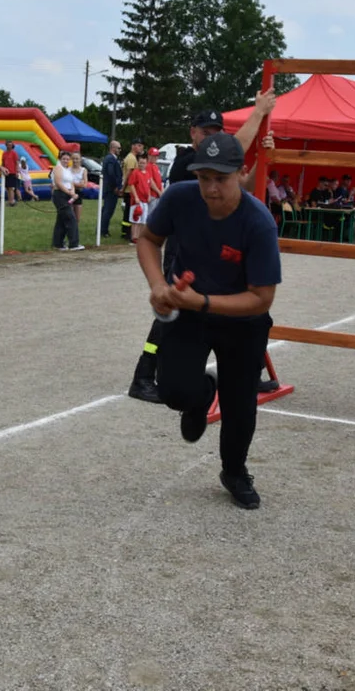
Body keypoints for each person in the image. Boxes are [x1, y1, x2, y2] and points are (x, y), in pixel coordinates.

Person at [137, 133, 281, 509]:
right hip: (189, 311)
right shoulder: (180, 198)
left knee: (239, 404)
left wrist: (202, 301)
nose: (211, 188)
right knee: (171, 391)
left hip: (242, 319)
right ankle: (201, 394)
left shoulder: (258, 223)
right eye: (204, 178)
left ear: (242, 174)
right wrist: (157, 284)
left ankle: (234, 471)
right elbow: (148, 239)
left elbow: (262, 298)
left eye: (222, 178)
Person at [127, 94, 276, 404]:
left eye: (216, 132)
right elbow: (238, 146)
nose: (212, 137)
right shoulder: (185, 163)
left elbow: (239, 186)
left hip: (209, 249)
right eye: (205, 132)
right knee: (170, 309)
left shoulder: (217, 169)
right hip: (183, 248)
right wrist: (259, 113)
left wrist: (263, 159)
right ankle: (144, 374)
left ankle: (237, 372)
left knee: (185, 309)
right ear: (192, 132)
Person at [51, 150, 83, 251]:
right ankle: (74, 243)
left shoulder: (67, 170)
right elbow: (59, 183)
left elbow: (71, 183)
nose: (66, 161)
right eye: (64, 159)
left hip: (68, 195)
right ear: (60, 159)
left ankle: (58, 243)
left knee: (61, 220)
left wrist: (73, 193)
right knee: (71, 218)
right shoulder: (58, 168)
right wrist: (70, 193)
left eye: (67, 159)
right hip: (60, 195)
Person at [120, 138, 144, 239]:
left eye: (141, 145)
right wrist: (123, 188)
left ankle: (126, 231)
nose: (140, 147)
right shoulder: (131, 158)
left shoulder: (133, 157)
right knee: (128, 212)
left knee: (128, 211)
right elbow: (129, 175)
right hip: (129, 189)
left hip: (129, 189)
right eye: (139, 145)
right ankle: (126, 232)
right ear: (133, 146)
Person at [100, 140, 123, 237]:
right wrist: (116, 186)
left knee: (106, 209)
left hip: (109, 188)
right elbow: (111, 173)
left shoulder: (111, 159)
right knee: (108, 210)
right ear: (113, 148)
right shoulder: (110, 159)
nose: (120, 150)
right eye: (118, 148)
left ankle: (101, 228)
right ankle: (103, 230)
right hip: (110, 189)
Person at [70, 152, 88, 224]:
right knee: (69, 215)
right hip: (69, 193)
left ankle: (75, 232)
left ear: (80, 159)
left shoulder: (83, 170)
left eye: (77, 159)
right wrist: (78, 184)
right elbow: (67, 184)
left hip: (79, 194)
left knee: (77, 218)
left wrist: (73, 183)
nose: (75, 161)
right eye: (73, 159)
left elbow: (84, 185)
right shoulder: (68, 170)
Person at [2, 141, 20, 207]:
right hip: (6, 172)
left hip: (12, 172)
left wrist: (17, 171)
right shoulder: (4, 153)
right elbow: (3, 162)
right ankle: (10, 200)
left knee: (10, 187)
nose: (9, 146)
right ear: (6, 145)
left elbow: (17, 162)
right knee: (7, 187)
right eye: (8, 145)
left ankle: (12, 201)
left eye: (10, 145)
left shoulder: (14, 153)